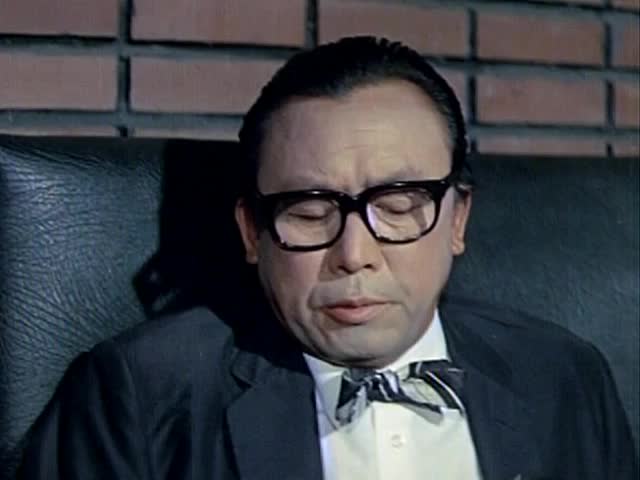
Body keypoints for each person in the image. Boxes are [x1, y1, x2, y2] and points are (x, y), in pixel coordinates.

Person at [19, 36, 637, 480]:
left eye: (398, 205)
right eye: (310, 212)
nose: (354, 256)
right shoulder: (138, 393)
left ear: (457, 220)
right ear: (252, 232)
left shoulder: (563, 375)